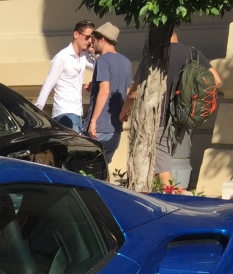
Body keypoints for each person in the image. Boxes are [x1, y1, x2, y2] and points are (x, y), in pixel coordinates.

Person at [121, 28, 222, 189]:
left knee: (162, 170)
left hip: (159, 120)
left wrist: (123, 111)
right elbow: (215, 80)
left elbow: (134, 94)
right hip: (182, 119)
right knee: (161, 165)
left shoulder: (155, 57)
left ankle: (172, 199)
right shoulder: (193, 54)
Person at [35, 20, 95, 132]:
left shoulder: (84, 56)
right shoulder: (62, 57)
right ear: (76, 34)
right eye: (87, 37)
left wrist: (93, 52)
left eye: (91, 38)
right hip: (64, 112)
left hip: (77, 112)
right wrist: (37, 111)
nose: (89, 41)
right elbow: (48, 84)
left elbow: (99, 67)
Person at [86, 22, 131, 164]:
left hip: (99, 127)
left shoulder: (103, 61)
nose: (92, 43)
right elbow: (128, 91)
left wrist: (93, 122)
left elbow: (104, 91)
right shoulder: (126, 62)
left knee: (87, 167)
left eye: (94, 39)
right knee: (104, 168)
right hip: (115, 128)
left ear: (102, 39)